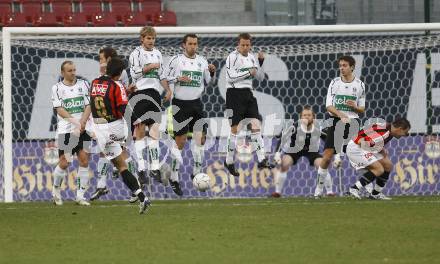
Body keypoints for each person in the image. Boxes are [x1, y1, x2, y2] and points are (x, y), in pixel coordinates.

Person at [90, 57, 151, 214]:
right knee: (133, 143)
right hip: (116, 126)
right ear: (120, 73)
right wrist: (137, 121)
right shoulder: (117, 85)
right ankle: (142, 172)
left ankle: (141, 196)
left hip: (100, 129)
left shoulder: (95, 82)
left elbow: (107, 96)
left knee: (121, 165)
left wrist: (125, 91)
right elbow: (123, 108)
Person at [163, 33, 216, 196]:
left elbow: (208, 82)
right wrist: (177, 79)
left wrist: (212, 73)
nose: (193, 46)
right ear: (183, 45)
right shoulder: (176, 60)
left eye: (195, 44)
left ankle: (196, 172)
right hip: (180, 104)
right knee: (180, 141)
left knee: (201, 138)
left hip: (196, 103)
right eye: (190, 44)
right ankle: (174, 176)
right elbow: (164, 77)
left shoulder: (202, 61)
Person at [224, 33, 273, 177]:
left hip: (248, 94)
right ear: (238, 45)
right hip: (234, 94)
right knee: (235, 129)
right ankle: (229, 161)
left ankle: (262, 159)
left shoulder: (252, 57)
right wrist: (247, 73)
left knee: (256, 125)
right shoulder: (232, 57)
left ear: (250, 45)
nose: (245, 47)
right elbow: (230, 77)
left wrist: (260, 63)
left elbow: (260, 77)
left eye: (247, 45)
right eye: (243, 45)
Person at [316, 55, 366, 197]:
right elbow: (329, 106)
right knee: (326, 157)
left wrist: (355, 107)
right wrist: (341, 115)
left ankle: (367, 189)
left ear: (352, 67)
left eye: (344, 65)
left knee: (359, 157)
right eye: (340, 65)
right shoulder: (334, 83)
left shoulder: (360, 85)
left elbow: (362, 109)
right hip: (335, 120)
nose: (341, 68)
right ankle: (318, 191)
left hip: (353, 122)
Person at [129, 26, 172, 184]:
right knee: (140, 130)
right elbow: (134, 73)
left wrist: (167, 89)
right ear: (142, 39)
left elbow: (161, 75)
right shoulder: (136, 53)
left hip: (154, 94)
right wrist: (149, 67)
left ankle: (154, 169)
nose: (151, 41)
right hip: (140, 93)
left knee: (154, 130)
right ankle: (141, 169)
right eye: (148, 38)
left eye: (153, 38)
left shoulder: (158, 53)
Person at [51, 61, 92, 206]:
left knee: (84, 160)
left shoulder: (84, 84)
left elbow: (88, 105)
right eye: (69, 70)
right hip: (66, 129)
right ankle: (56, 190)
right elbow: (59, 110)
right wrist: (76, 123)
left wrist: (82, 123)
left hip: (83, 128)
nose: (73, 72)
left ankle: (80, 196)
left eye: (74, 70)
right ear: (63, 73)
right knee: (65, 161)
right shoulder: (57, 88)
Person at [272, 106, 335, 198]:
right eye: (304, 115)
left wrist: (336, 156)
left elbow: (329, 141)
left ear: (313, 117)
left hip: (312, 151)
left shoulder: (318, 128)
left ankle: (330, 192)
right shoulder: (294, 127)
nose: (306, 117)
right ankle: (277, 192)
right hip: (294, 150)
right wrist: (277, 154)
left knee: (322, 164)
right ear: (301, 117)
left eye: (309, 115)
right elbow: (282, 139)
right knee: (284, 163)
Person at [347, 118, 411, 200]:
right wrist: (377, 149)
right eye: (405, 133)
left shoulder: (389, 130)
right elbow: (360, 141)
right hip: (356, 148)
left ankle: (375, 194)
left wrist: (380, 149)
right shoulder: (383, 132)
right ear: (400, 129)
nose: (404, 135)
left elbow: (372, 141)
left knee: (388, 166)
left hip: (365, 147)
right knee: (379, 169)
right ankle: (354, 189)